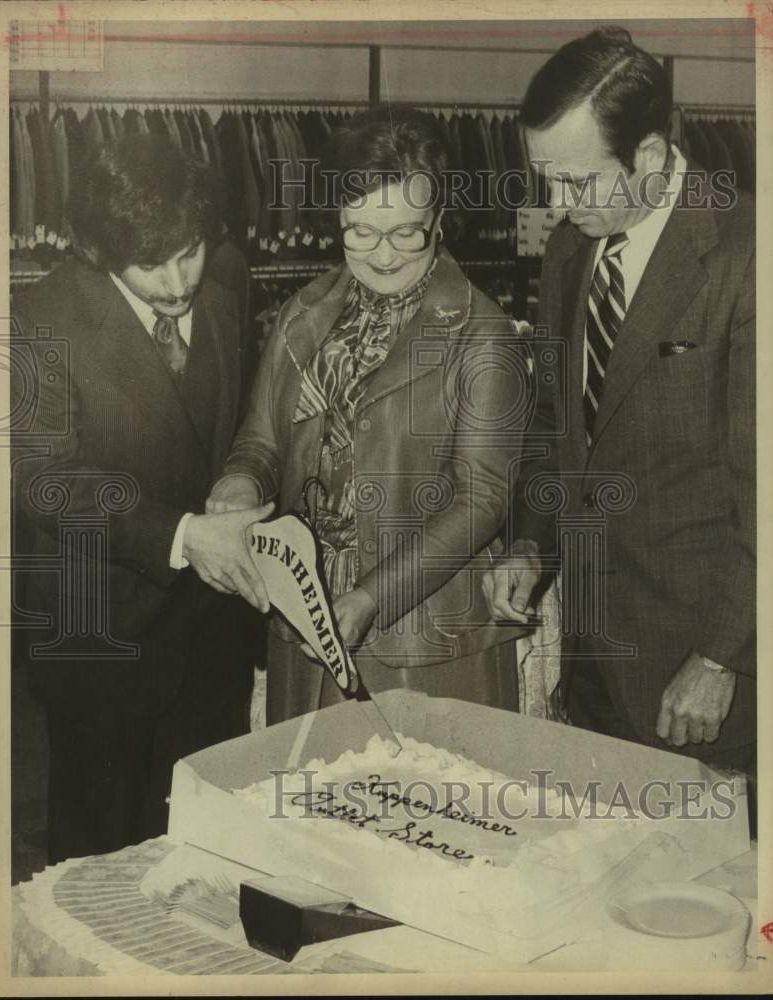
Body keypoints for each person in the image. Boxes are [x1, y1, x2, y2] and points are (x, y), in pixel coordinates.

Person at [483, 28, 755, 775]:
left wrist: (719, 658)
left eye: (576, 182)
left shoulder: (746, 251)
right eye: (546, 180)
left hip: (705, 678)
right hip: (595, 662)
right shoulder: (571, 250)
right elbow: (554, 422)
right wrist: (531, 544)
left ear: (648, 155)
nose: (557, 205)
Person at [208, 107, 531, 724]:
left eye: (406, 232)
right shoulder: (302, 313)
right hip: (304, 618)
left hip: (425, 641)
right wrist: (238, 481)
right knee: (307, 812)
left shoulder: (483, 333)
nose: (382, 255)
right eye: (360, 231)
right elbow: (260, 439)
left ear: (438, 222)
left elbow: (481, 501)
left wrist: (370, 598)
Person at [12, 134, 273, 863]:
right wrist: (185, 535)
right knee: (96, 862)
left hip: (211, 635)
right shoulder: (41, 316)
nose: (177, 280)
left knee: (201, 853)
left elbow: (239, 417)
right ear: (100, 252)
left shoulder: (228, 272)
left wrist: (243, 477)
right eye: (150, 264)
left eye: (187, 250)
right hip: (102, 638)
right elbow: (40, 477)